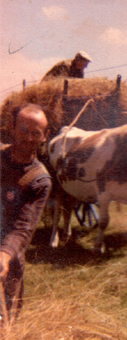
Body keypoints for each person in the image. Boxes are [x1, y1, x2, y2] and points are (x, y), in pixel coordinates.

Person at [0, 104, 52, 323]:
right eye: (23, 130)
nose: (28, 138)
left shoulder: (39, 180)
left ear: (45, 136)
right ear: (12, 128)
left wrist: (4, 255)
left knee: (4, 321)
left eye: (35, 133)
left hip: (7, 258)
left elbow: (23, 227)